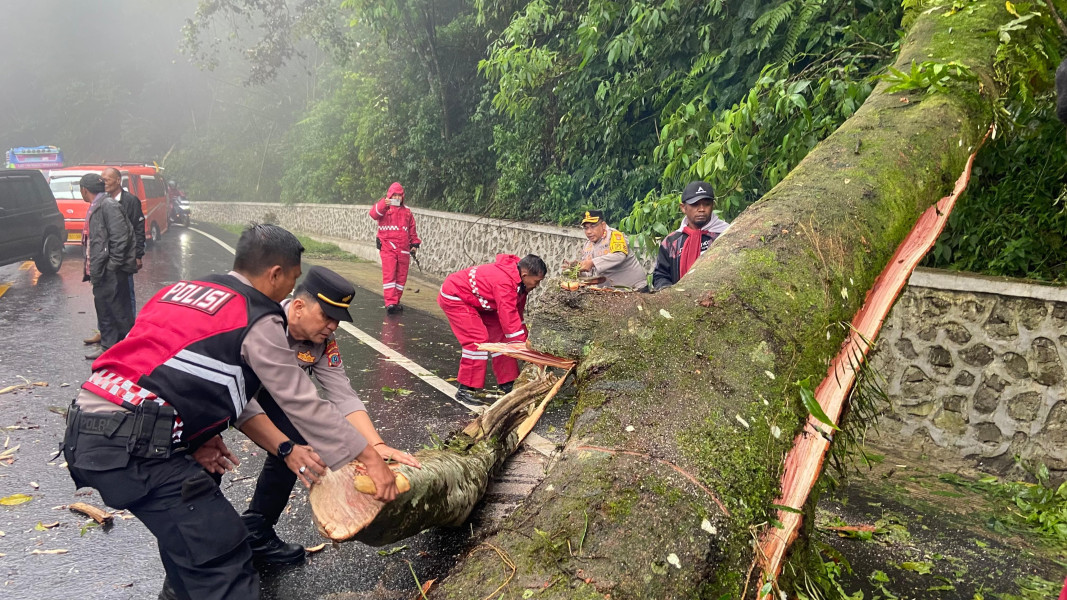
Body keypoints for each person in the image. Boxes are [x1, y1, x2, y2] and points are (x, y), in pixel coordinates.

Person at [62, 224, 399, 600]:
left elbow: (166, 368)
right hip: (138, 443)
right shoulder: (260, 316)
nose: (290, 287)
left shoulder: (184, 290)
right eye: (292, 278)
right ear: (276, 275)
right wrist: (368, 457)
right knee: (223, 557)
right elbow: (302, 400)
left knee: (193, 543)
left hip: (91, 424)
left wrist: (200, 434)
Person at [238, 265, 421, 565]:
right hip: (226, 394)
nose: (333, 326)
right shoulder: (260, 323)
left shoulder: (321, 344)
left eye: (337, 320)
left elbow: (343, 395)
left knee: (299, 439)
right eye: (327, 316)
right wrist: (283, 448)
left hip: (274, 393)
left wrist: (376, 446)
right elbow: (237, 398)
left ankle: (256, 531)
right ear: (298, 306)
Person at [437, 254, 547, 403]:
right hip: (456, 297)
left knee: (502, 336)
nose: (537, 285)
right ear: (525, 275)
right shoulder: (505, 283)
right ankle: (465, 389)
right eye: (536, 281)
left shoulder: (519, 282)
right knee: (476, 340)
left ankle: (508, 383)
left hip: (479, 301)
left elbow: (516, 316)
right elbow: (509, 318)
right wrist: (527, 351)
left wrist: (527, 342)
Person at [79, 173, 136, 360]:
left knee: (118, 311)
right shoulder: (99, 205)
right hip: (101, 268)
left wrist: (113, 265)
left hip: (110, 269)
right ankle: (110, 347)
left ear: (84, 190)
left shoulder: (108, 205)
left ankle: (123, 349)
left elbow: (121, 237)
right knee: (105, 308)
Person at [651, 181, 731, 291]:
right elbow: (660, 276)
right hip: (680, 303)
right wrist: (670, 294)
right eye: (695, 204)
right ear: (683, 208)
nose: (702, 209)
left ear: (713, 205)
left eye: (706, 204)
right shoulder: (671, 242)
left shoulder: (726, 234)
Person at [369, 182, 421, 313]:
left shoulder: (407, 212)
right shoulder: (384, 209)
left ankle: (396, 302)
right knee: (389, 275)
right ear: (390, 195)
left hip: (403, 249)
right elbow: (373, 214)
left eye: (399, 195)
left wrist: (414, 244)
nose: (397, 198)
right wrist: (383, 203)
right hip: (388, 247)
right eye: (395, 195)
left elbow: (412, 230)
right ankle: (390, 302)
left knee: (401, 278)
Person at [562, 209, 647, 289]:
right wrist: (577, 270)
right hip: (612, 293)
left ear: (603, 225)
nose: (589, 231)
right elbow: (589, 273)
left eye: (593, 226)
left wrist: (592, 263)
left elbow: (619, 255)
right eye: (586, 228)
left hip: (635, 289)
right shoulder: (588, 245)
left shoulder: (615, 235)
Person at [102, 167, 146, 314]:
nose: (104, 183)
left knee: (127, 292)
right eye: (102, 180)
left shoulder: (131, 201)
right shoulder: (102, 201)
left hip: (126, 256)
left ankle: (130, 329)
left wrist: (138, 255)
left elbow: (138, 229)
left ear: (118, 180)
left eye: (107, 180)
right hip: (107, 256)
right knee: (107, 292)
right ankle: (109, 329)